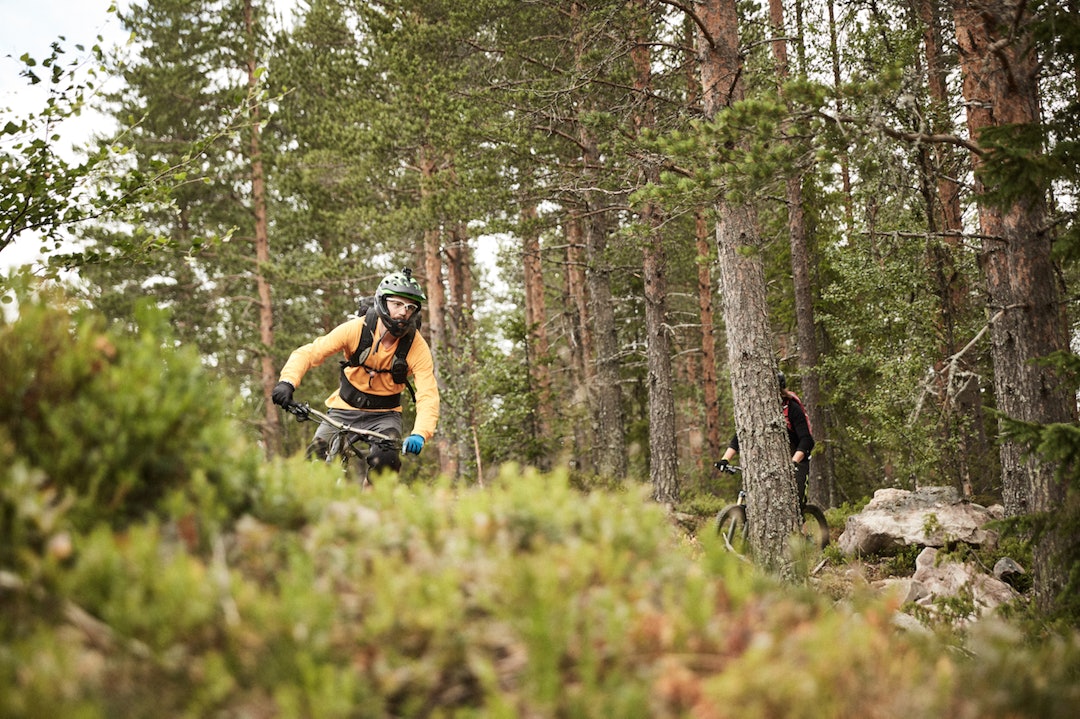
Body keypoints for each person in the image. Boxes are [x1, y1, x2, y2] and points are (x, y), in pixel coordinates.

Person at [271, 268, 439, 475]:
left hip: (385, 416)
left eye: (410, 307)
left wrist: (420, 433)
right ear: (382, 302)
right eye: (397, 304)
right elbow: (310, 352)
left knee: (386, 464)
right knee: (315, 458)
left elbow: (427, 394)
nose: (404, 312)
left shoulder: (417, 347)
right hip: (343, 409)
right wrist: (287, 382)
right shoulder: (356, 329)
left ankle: (371, 504)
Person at [715, 371, 814, 506]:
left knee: (794, 502)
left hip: (797, 459)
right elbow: (741, 436)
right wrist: (725, 459)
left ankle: (799, 524)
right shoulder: (757, 409)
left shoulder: (792, 408)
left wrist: (793, 463)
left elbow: (806, 441)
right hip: (770, 460)